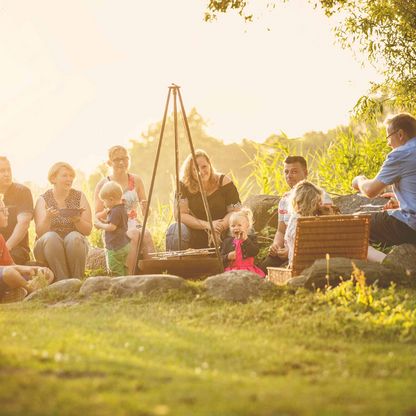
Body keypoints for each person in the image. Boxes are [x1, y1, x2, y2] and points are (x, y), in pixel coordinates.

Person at [352, 113, 416, 248]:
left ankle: (383, 265)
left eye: (388, 137)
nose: (388, 143)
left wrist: (359, 180)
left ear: (400, 134)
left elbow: (370, 191)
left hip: (412, 226)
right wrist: (401, 200)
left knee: (355, 223)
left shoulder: (401, 153)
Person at [261, 156, 332, 272]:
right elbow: (281, 230)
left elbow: (322, 231)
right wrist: (276, 246)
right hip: (285, 249)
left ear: (305, 173)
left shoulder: (319, 195)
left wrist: (292, 250)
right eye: (286, 172)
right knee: (261, 269)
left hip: (307, 251)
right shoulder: (284, 200)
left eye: (294, 171)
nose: (289, 175)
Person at [94, 146, 155, 274]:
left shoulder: (136, 180)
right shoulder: (103, 185)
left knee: (146, 234)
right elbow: (97, 216)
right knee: (133, 235)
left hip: (133, 221)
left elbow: (145, 211)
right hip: (115, 225)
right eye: (117, 159)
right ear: (109, 163)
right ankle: (129, 277)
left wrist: (146, 208)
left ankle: (153, 273)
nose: (121, 162)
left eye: (125, 158)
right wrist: (110, 215)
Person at [166, 149, 241, 250]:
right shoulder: (183, 185)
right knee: (175, 229)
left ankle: (235, 263)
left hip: (221, 232)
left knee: (242, 229)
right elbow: (180, 215)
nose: (200, 172)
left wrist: (219, 227)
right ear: (190, 172)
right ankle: (176, 264)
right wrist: (208, 225)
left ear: (210, 164)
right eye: (195, 169)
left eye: (204, 166)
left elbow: (235, 212)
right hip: (194, 232)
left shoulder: (224, 182)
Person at [33, 162, 92, 280]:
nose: (69, 179)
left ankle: (77, 281)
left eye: (71, 176)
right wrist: (48, 218)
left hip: (74, 243)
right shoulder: (43, 199)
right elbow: (40, 233)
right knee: (51, 237)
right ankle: (62, 282)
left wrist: (77, 220)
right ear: (53, 178)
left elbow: (88, 230)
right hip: (47, 245)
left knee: (74, 237)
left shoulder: (79, 196)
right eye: (65, 175)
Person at [0, 195, 54, 303]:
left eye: (6, 209)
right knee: (9, 273)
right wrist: (22, 269)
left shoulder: (0, 237)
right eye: (2, 210)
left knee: (46, 272)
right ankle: (34, 291)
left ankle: (12, 294)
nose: (7, 213)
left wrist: (34, 269)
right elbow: (8, 270)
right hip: (5, 274)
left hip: (4, 277)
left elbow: (11, 265)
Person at [0, 156, 33, 264]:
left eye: (8, 170)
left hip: (15, 249)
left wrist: (5, 249)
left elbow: (23, 223)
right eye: (2, 171)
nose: (7, 174)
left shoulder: (22, 192)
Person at [94, 181, 130, 276]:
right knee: (123, 266)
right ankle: (127, 283)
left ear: (111, 199)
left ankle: (118, 287)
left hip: (115, 247)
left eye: (104, 201)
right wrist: (105, 222)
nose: (104, 204)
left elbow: (112, 227)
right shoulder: (122, 209)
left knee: (115, 270)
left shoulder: (114, 211)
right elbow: (117, 224)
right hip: (124, 244)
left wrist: (100, 225)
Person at [221, 208, 265, 277]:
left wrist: (245, 239)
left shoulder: (251, 238)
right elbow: (220, 258)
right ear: (230, 227)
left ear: (247, 226)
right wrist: (227, 256)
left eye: (239, 225)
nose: (236, 227)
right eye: (233, 226)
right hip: (232, 271)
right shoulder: (227, 241)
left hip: (248, 270)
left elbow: (254, 252)